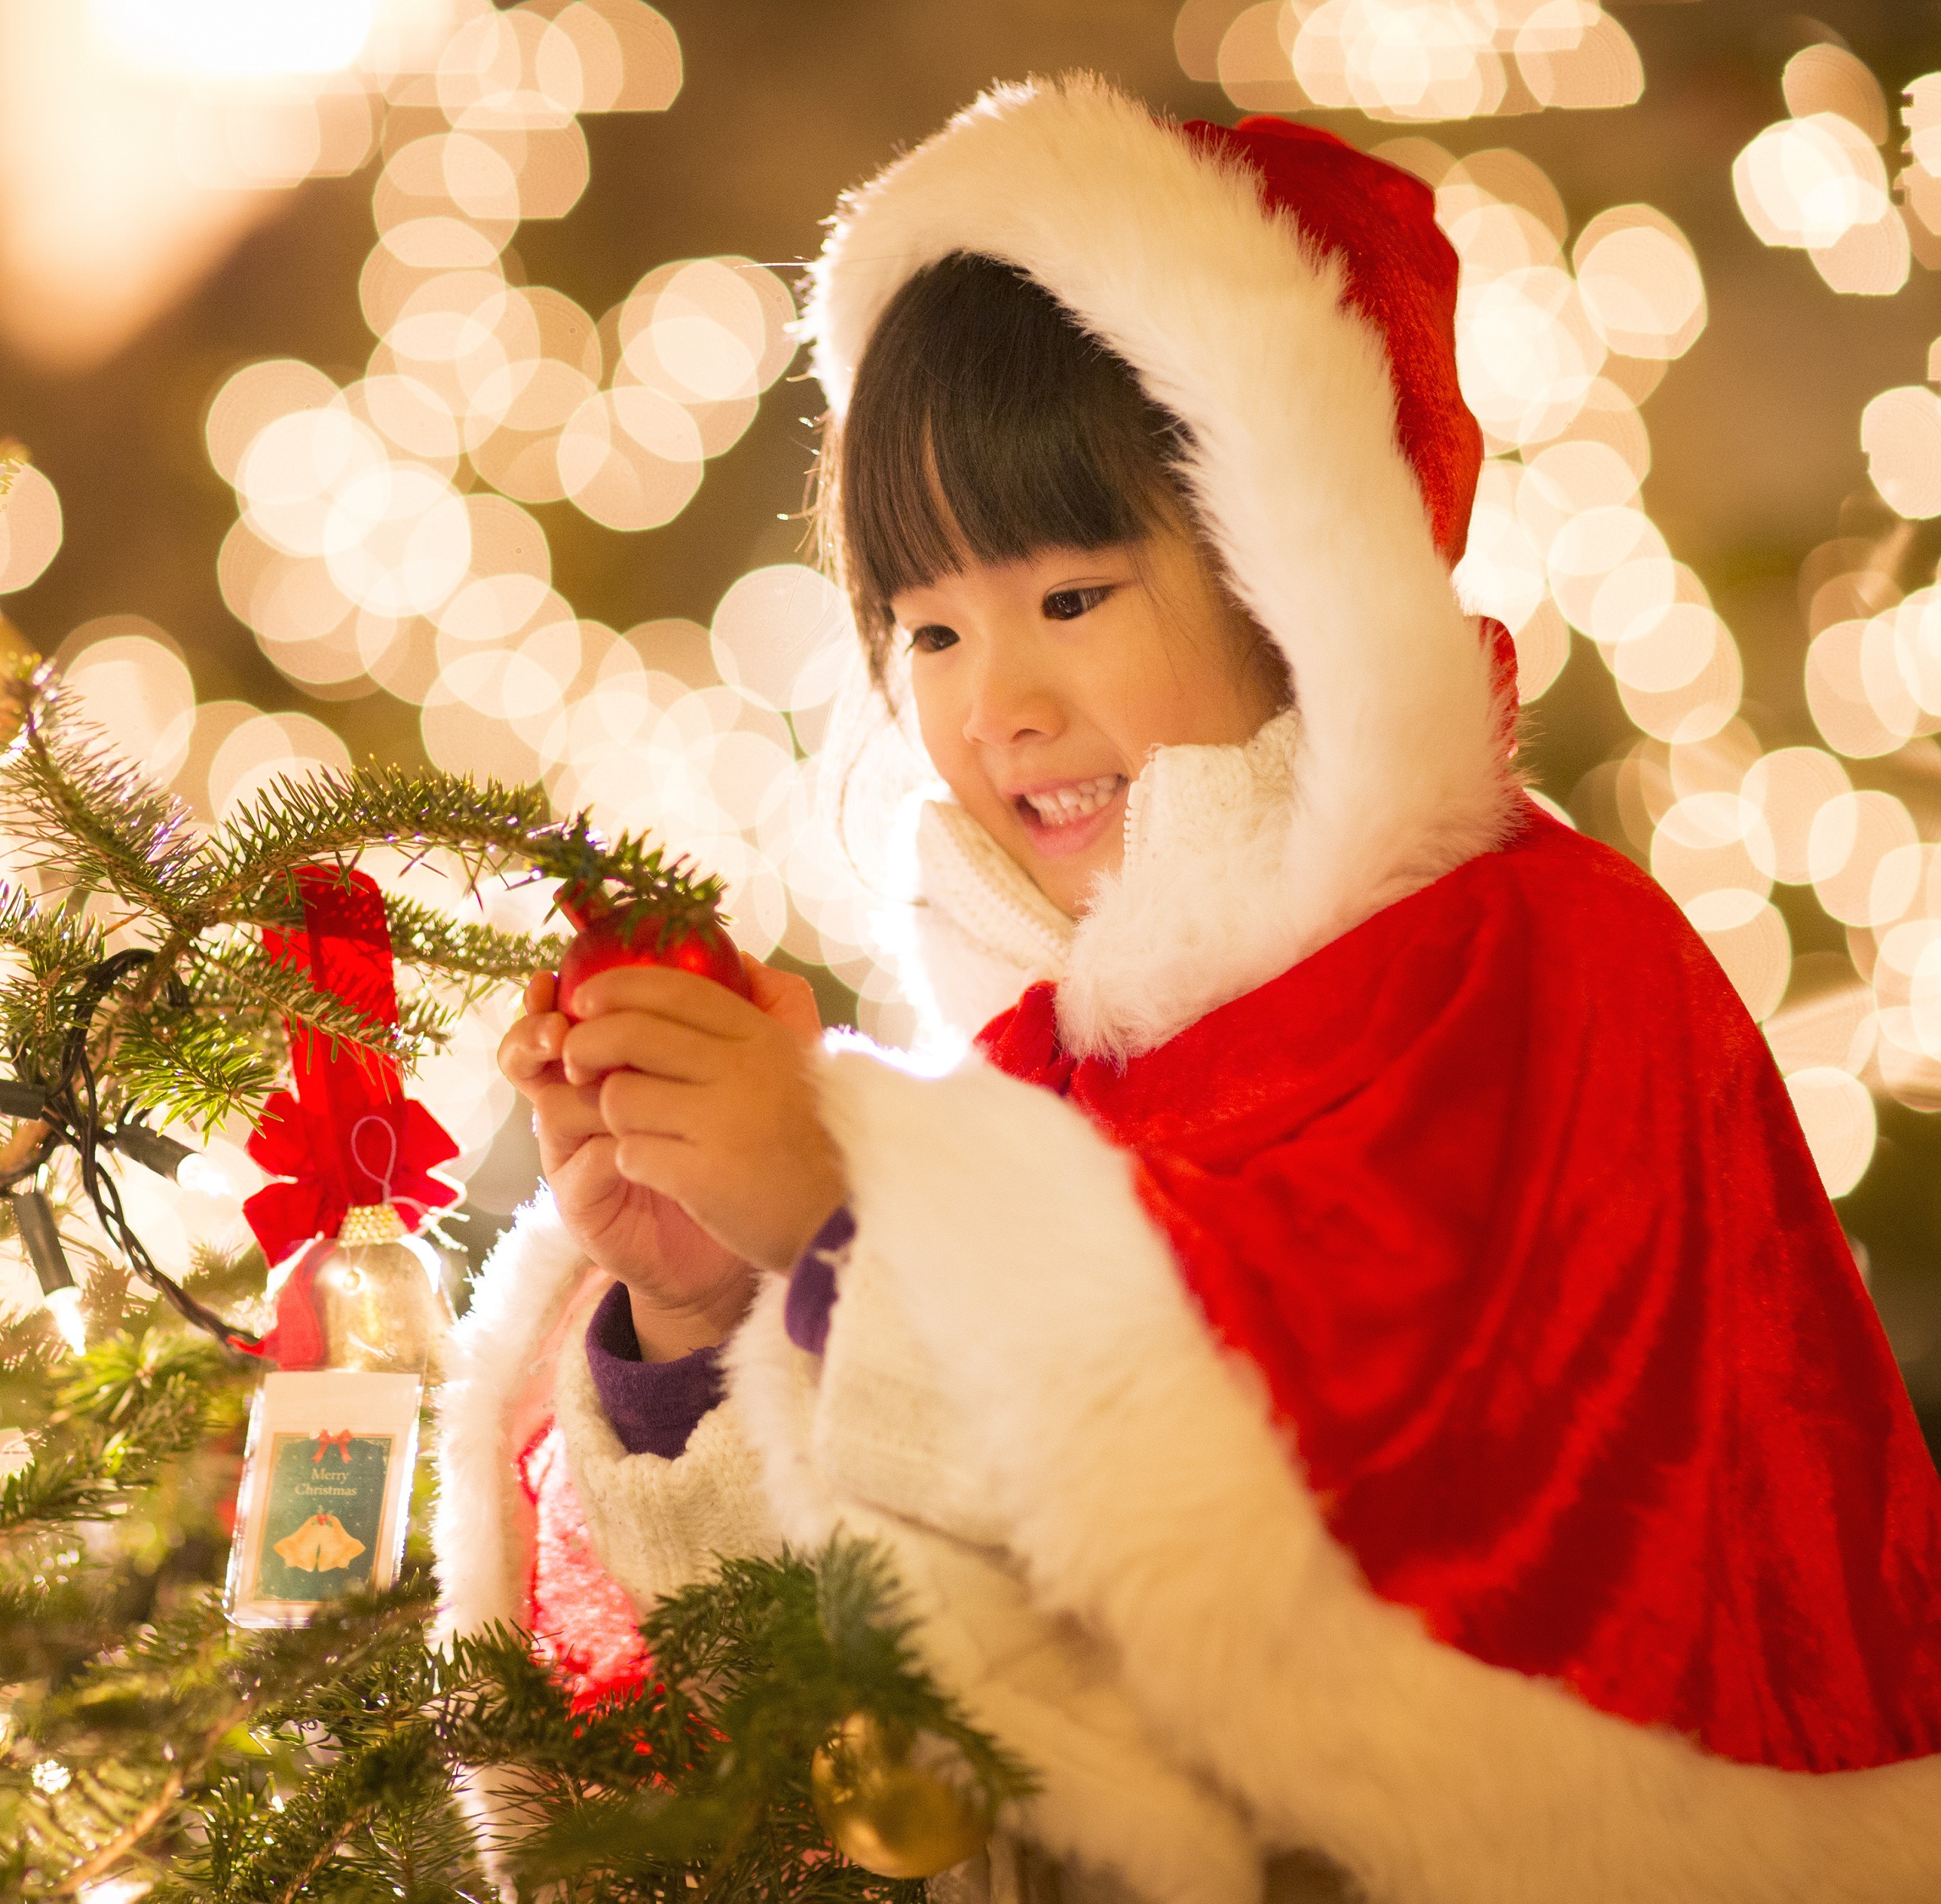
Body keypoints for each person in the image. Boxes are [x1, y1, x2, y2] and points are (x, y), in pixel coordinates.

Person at [429, 74, 1941, 1904]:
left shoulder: (1528, 963)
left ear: (1283, 570)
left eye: (1071, 597)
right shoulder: (1040, 1073)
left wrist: (846, 1216)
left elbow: (1285, 1496)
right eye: (926, 629)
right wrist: (701, 1310)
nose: (996, 707)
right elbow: (886, 1701)